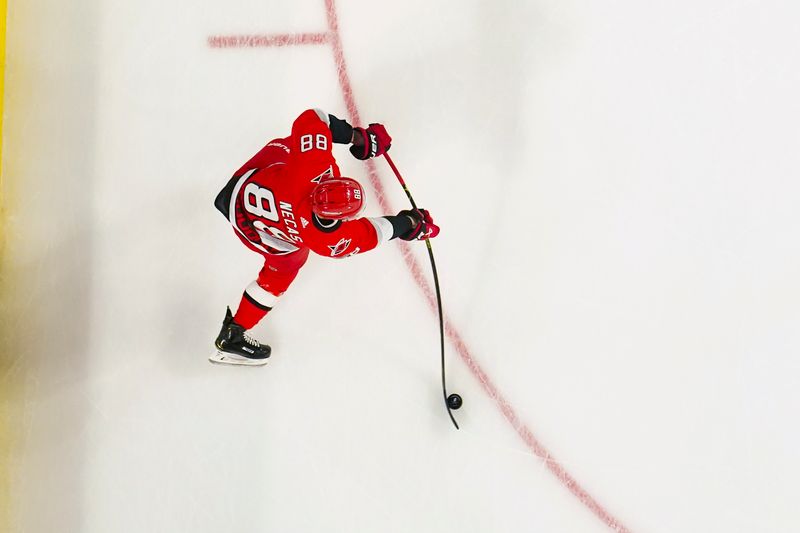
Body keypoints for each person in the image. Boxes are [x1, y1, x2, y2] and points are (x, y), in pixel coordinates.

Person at [210, 109, 439, 366]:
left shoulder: (312, 168)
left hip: (245, 189)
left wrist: (358, 137)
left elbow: (312, 118)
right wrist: (411, 223)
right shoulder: (329, 242)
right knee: (285, 268)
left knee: (288, 148)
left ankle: (234, 335)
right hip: (256, 232)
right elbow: (376, 232)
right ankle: (233, 332)